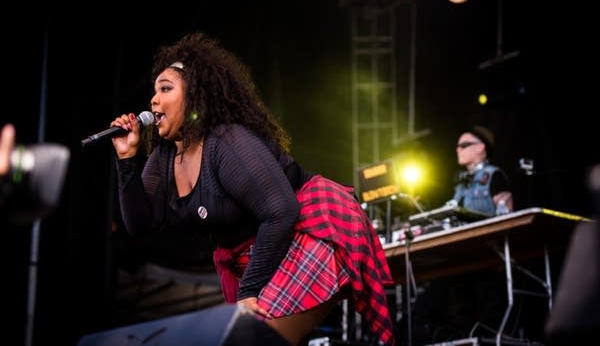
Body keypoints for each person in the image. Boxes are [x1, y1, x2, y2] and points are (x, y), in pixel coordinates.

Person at [109, 32, 396, 346]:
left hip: (309, 230)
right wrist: (126, 159)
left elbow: (281, 212)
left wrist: (250, 292)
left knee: (253, 340)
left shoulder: (225, 143)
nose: (154, 100)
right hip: (266, 248)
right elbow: (138, 224)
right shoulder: (165, 157)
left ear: (194, 96)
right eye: (154, 90)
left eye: (166, 89)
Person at [450, 125, 513, 215]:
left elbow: (507, 218)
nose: (458, 150)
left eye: (464, 145)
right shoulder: (461, 182)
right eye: (457, 146)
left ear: (480, 147)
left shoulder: (493, 174)